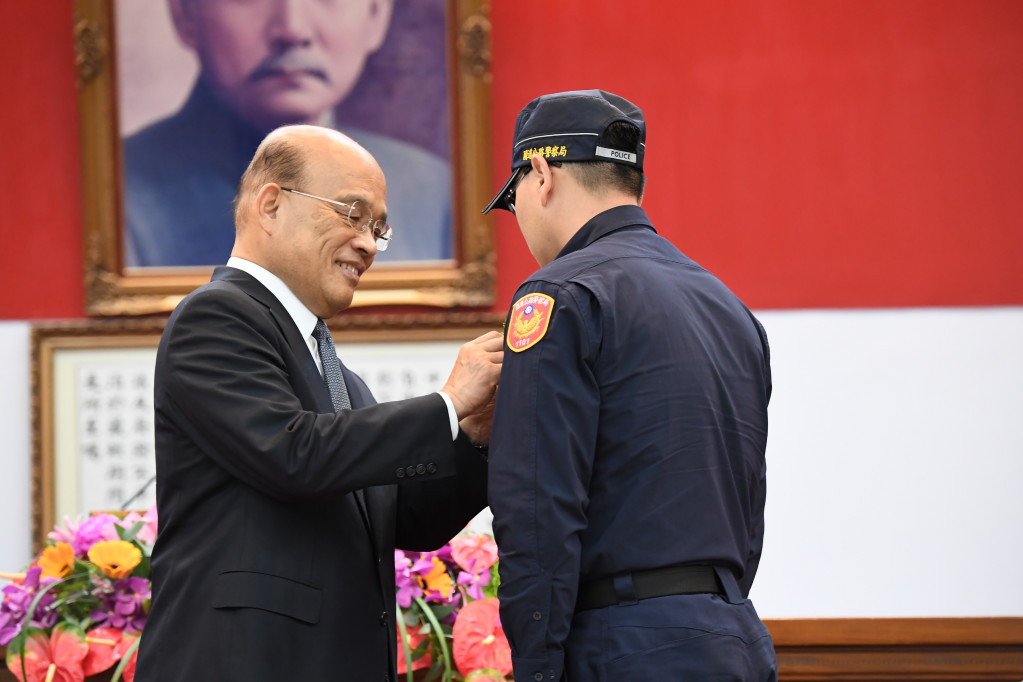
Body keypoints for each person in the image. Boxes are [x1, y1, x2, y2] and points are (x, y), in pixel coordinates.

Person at [134, 124, 501, 681]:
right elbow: (295, 454)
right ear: (272, 204)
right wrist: (447, 402)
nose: (368, 243)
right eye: (352, 213)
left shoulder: (339, 377)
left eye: (379, 227)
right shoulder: (214, 318)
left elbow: (406, 520)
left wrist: (474, 436)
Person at [482, 90, 776, 681]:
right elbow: (748, 504)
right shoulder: (728, 306)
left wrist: (536, 671)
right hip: (731, 638)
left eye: (513, 203)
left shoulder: (559, 296)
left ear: (540, 174)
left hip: (619, 645)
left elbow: (537, 511)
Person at [123, 0, 451, 267]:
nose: (293, 29)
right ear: (185, 14)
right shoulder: (124, 199)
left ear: (377, 14)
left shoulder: (430, 192)